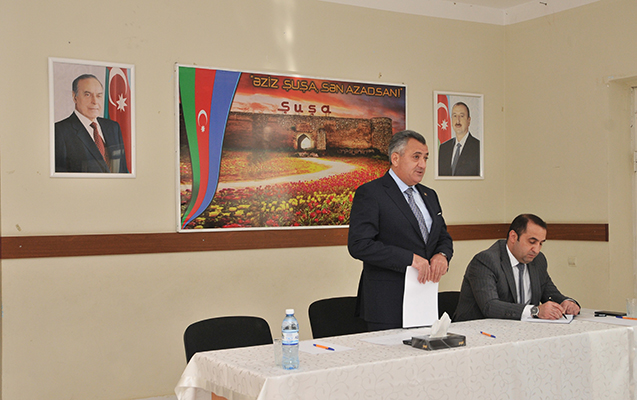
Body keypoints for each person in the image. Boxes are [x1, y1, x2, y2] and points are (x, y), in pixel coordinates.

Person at [348, 130, 454, 331]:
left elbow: (442, 237)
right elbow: (359, 245)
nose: (422, 164)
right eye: (416, 157)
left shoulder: (430, 195)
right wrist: (410, 259)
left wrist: (442, 255)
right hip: (387, 305)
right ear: (395, 159)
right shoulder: (371, 193)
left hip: (424, 301)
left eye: (425, 158)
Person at [454, 214, 580, 322]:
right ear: (513, 237)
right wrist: (535, 311)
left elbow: (551, 293)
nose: (536, 250)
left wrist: (567, 302)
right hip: (479, 332)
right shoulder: (486, 261)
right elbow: (490, 306)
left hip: (520, 330)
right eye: (532, 242)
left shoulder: (538, 261)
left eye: (541, 243)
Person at [55, 74, 128, 173]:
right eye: (87, 95)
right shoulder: (59, 131)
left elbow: (122, 171)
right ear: (74, 97)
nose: (95, 101)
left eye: (99, 95)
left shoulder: (113, 127)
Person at [438, 102, 480, 176]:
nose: (457, 120)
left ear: (469, 120)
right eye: (454, 116)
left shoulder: (478, 147)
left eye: (462, 116)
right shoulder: (443, 148)